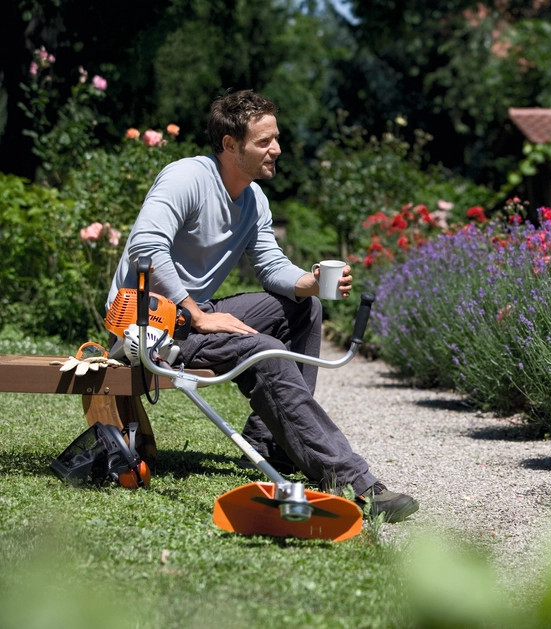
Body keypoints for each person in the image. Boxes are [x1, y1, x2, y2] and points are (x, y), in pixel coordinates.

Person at [106, 89, 418, 523]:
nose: (277, 149)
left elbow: (271, 267)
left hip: (191, 317)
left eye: (276, 138)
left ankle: (273, 442)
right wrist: (197, 314)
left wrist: (309, 282)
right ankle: (353, 481)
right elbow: (146, 247)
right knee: (261, 349)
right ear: (230, 145)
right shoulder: (186, 178)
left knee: (305, 308)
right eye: (264, 141)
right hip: (147, 328)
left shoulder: (254, 200)